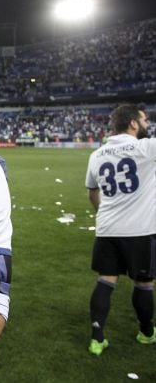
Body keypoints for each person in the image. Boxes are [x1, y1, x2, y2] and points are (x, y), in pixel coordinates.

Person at [85, 103, 156, 355]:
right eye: (145, 120)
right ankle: (146, 333)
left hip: (107, 229)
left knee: (105, 281)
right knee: (144, 284)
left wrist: (103, 214)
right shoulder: (147, 147)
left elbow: (92, 193)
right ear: (133, 123)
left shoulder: (97, 155)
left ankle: (97, 338)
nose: (147, 125)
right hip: (141, 230)